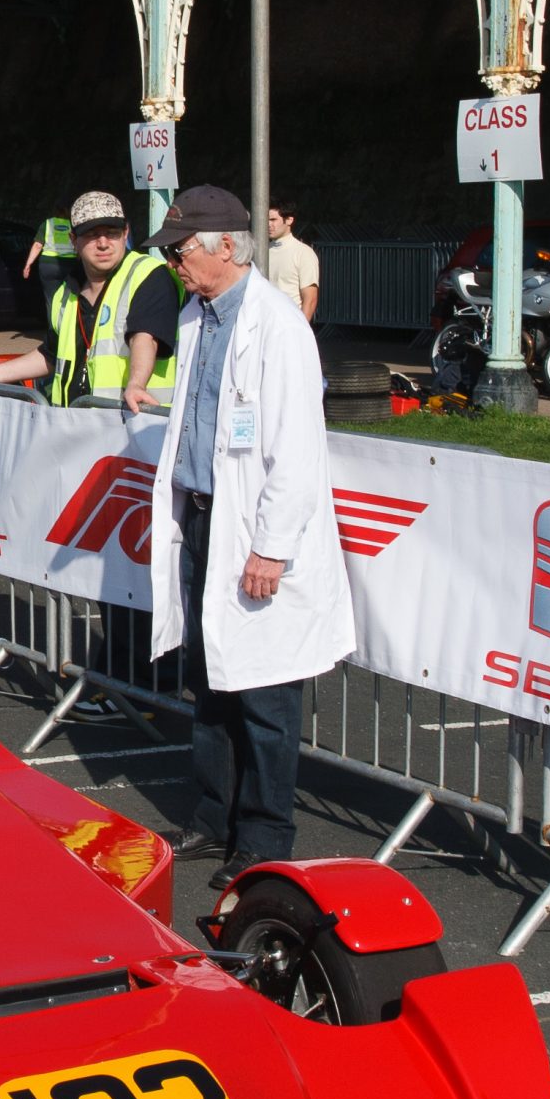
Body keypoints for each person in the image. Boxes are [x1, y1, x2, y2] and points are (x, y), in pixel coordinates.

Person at [146, 186, 353, 881]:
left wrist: (271, 545)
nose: (173, 262)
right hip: (207, 516)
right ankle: (213, 816)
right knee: (210, 680)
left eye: (179, 251)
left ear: (224, 248)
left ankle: (264, 837)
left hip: (255, 531)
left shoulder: (278, 326)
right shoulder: (197, 316)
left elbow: (295, 448)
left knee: (264, 691)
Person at [0, 193, 181, 415]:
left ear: (125, 233)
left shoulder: (147, 275)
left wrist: (136, 384)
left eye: (112, 233)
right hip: (76, 426)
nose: (103, 243)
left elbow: (146, 337)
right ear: (73, 240)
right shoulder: (65, 293)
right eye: (92, 234)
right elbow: (50, 355)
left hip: (133, 425)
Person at [265, 205, 321, 324]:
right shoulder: (261, 252)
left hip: (289, 324)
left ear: (289, 220)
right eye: (266, 220)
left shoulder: (303, 253)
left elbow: (310, 299)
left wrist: (301, 330)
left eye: (273, 220)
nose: (269, 224)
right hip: (265, 324)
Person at [22, 211, 78, 317]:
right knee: (70, 298)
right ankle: (68, 328)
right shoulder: (72, 224)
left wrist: (28, 264)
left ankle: (52, 331)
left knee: (51, 300)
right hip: (69, 264)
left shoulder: (47, 223)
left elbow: (38, 245)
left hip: (49, 264)